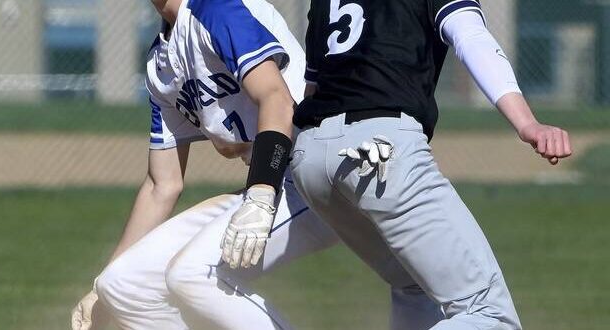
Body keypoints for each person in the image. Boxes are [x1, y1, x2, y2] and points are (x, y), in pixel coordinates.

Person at [72, 0, 444, 329]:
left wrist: (260, 195)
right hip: (272, 185)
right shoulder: (161, 65)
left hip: (318, 169)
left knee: (192, 274)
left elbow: (277, 101)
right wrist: (98, 289)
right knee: (122, 284)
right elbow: (161, 185)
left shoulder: (217, 10)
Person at [288, 0, 573, 329]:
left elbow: (313, 88)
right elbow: (470, 37)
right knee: (488, 314)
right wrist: (527, 124)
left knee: (416, 284)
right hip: (379, 149)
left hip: (312, 157)